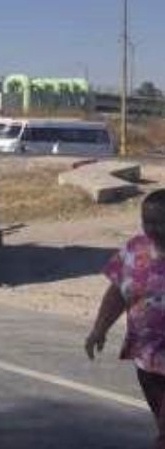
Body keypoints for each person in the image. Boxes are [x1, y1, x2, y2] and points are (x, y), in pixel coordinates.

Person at [86, 189, 165, 448]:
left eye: (160, 221)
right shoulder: (134, 249)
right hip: (147, 358)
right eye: (148, 221)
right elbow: (118, 293)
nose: (153, 228)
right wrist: (99, 329)